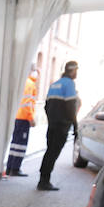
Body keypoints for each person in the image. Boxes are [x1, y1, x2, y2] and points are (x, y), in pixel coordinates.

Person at [38, 61, 80, 191]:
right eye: (76, 71)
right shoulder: (69, 84)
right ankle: (44, 182)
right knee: (54, 152)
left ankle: (42, 179)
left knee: (49, 151)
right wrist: (74, 124)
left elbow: (46, 105)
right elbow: (71, 106)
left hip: (52, 125)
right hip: (62, 125)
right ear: (72, 71)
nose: (76, 73)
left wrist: (51, 120)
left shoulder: (54, 84)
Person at [4, 66, 39, 177]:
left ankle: (10, 167)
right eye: (36, 71)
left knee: (15, 143)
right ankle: (15, 168)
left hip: (18, 117)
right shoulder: (30, 84)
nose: (37, 74)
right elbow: (27, 103)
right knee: (21, 145)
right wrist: (31, 118)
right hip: (24, 118)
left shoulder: (24, 82)